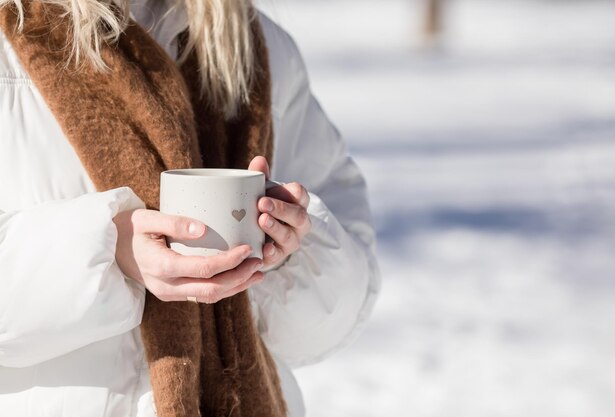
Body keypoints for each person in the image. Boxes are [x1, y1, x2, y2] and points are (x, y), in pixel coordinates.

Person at [0, 0, 380, 416]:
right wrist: (107, 252)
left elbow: (336, 314)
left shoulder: (256, 46)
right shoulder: (11, 33)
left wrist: (290, 250)